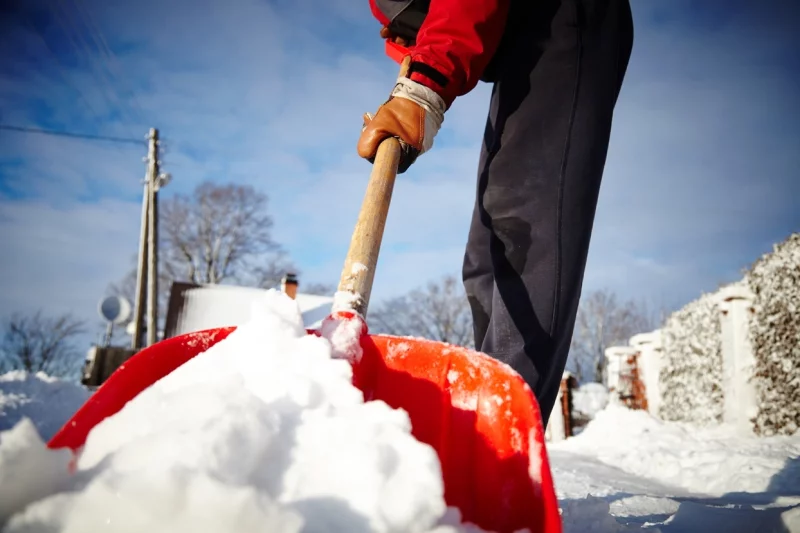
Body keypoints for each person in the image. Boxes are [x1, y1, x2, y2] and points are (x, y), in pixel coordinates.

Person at [357, 0, 634, 426]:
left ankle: (501, 433)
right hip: (517, 41)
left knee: (524, 231)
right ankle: (487, 422)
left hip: (563, 14)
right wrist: (411, 50)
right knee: (485, 257)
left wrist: (423, 87)